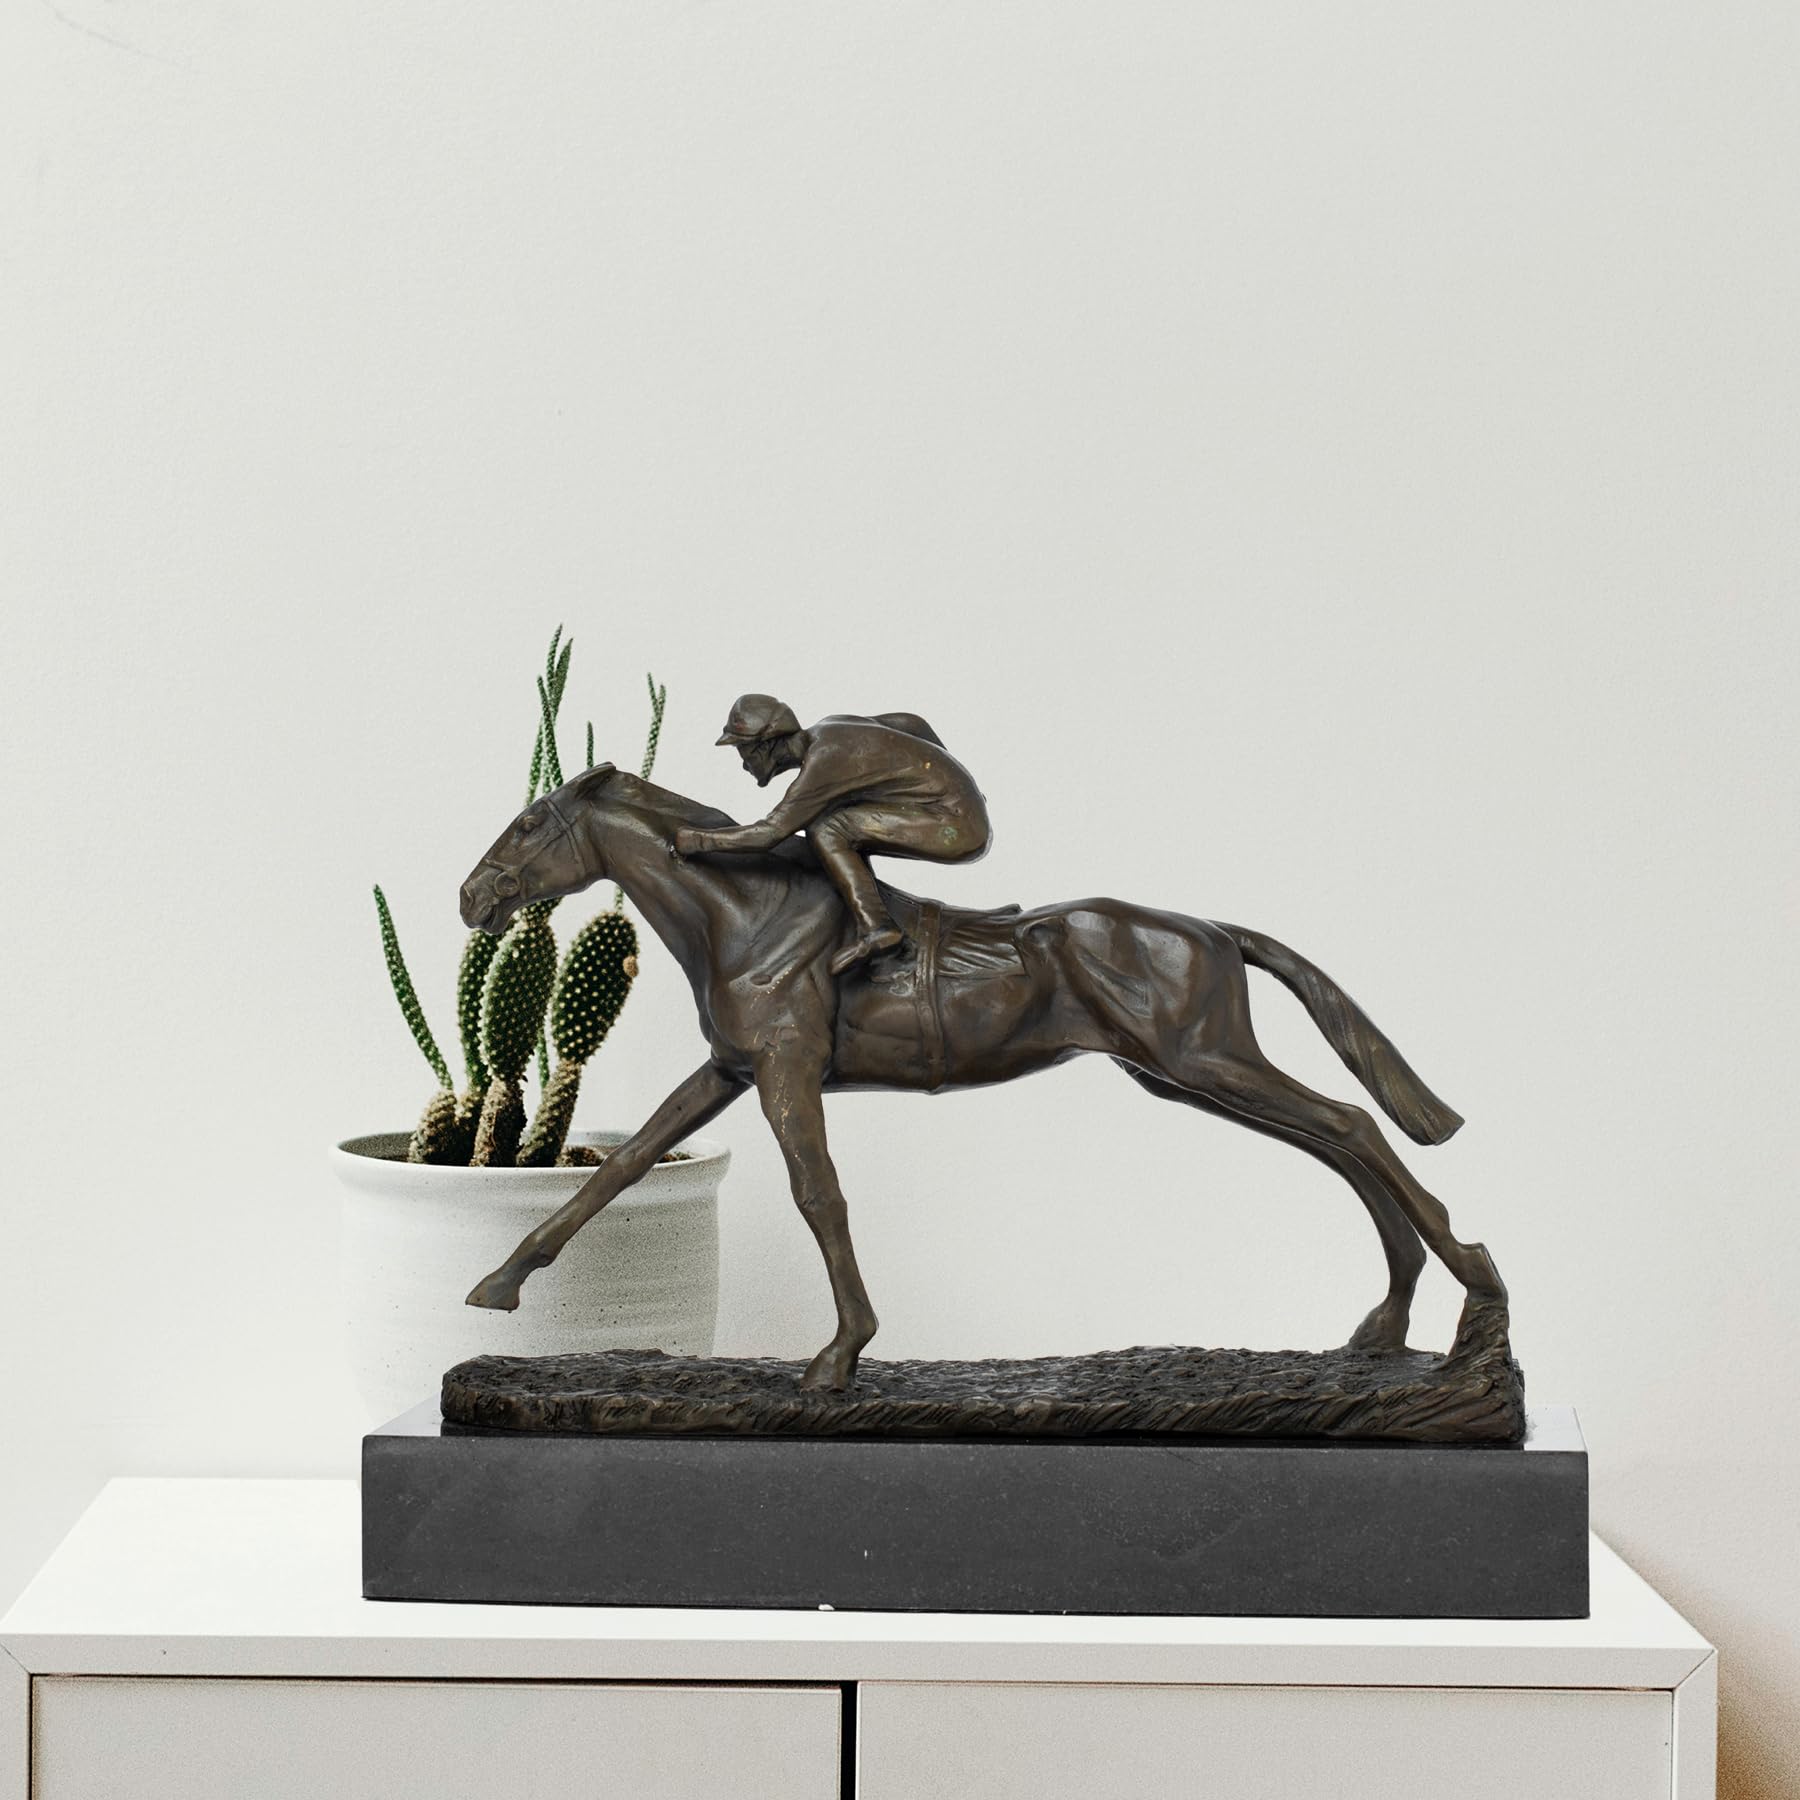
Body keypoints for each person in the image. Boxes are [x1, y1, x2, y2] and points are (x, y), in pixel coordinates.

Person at [673, 693, 991, 974]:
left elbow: (769, 833)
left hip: (958, 827)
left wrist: (700, 840)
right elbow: (911, 723)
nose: (744, 764)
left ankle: (877, 928)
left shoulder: (821, 764)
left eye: (743, 751)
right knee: (833, 819)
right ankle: (863, 913)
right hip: (957, 808)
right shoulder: (829, 727)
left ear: (765, 745)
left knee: (827, 829)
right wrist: (961, 783)